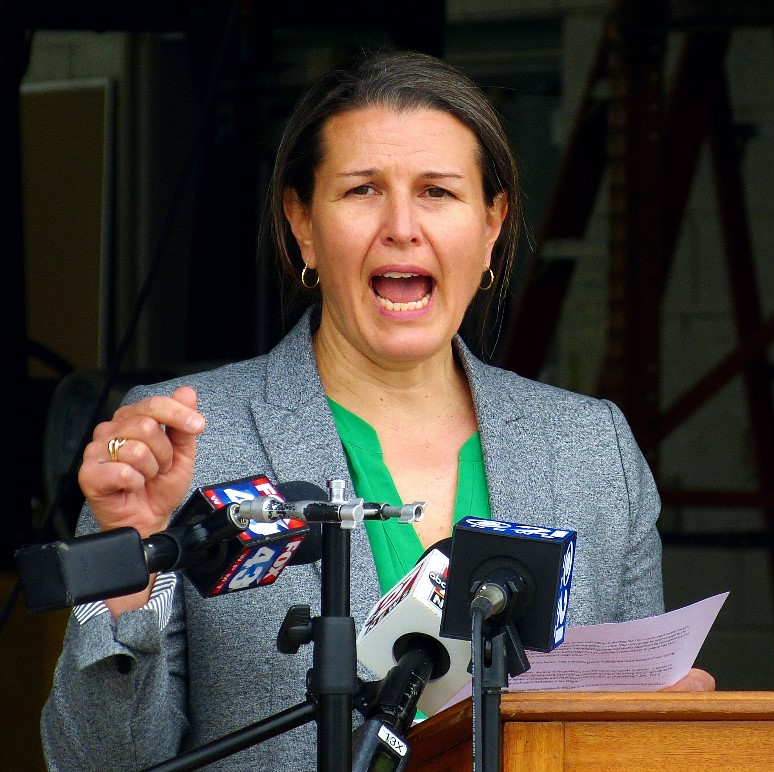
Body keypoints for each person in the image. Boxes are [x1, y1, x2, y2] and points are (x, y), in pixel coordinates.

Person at [40, 48, 714, 771]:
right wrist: (127, 578)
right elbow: (96, 764)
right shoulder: (186, 441)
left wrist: (663, 729)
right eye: (362, 190)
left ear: (492, 227)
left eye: (438, 192)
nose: (401, 225)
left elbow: (630, 732)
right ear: (302, 225)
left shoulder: (592, 448)